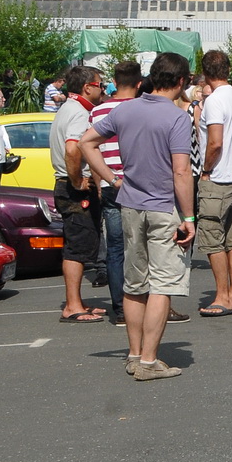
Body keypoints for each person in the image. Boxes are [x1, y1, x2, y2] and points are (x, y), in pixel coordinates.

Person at [80, 52, 196, 382]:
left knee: (135, 282)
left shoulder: (125, 109)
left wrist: (113, 178)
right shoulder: (176, 117)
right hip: (163, 206)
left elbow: (86, 142)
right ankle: (148, 361)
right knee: (162, 283)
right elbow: (181, 171)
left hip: (130, 203)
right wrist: (188, 215)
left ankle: (134, 355)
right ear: (180, 81)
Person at [193, 50, 232, 317]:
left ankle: (222, 295)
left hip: (219, 176)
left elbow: (215, 142)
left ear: (206, 72)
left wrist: (205, 168)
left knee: (213, 239)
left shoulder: (214, 101)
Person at [49, 65, 107, 322]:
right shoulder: (79, 112)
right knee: (77, 245)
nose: (102, 89)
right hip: (72, 188)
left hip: (68, 184)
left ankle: (77, 302)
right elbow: (73, 149)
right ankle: (72, 305)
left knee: (80, 242)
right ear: (87, 87)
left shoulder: (70, 108)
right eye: (99, 85)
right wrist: (77, 182)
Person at [89, 62, 141, 323]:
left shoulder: (98, 111)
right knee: (141, 246)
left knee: (116, 247)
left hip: (111, 183)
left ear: (114, 82)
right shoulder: (141, 109)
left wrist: (101, 179)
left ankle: (120, 307)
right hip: (138, 184)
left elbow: (91, 147)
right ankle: (140, 303)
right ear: (139, 83)